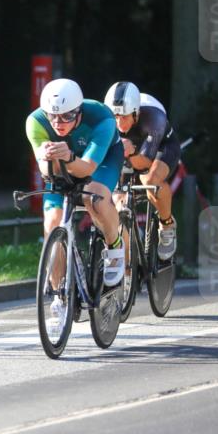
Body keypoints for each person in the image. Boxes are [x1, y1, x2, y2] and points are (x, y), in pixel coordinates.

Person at [26, 78, 126, 291]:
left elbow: (87, 168)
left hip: (102, 159)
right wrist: (48, 159)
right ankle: (59, 293)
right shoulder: (35, 122)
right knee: (52, 221)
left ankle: (115, 246)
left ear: (78, 112)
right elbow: (45, 171)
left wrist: (69, 158)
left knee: (94, 197)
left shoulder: (101, 117)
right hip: (64, 163)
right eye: (52, 116)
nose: (58, 123)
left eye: (66, 116)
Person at [104, 82, 180, 260]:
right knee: (118, 199)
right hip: (128, 149)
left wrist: (130, 152)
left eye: (124, 117)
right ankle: (130, 246)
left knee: (151, 181)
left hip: (162, 146)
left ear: (136, 113)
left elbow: (144, 165)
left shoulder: (154, 118)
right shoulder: (105, 120)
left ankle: (167, 224)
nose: (119, 122)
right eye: (115, 116)